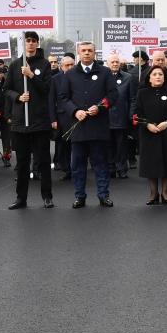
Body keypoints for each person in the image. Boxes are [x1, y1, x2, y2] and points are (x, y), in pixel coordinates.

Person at [58, 42, 118, 209]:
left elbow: (113, 95)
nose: (86, 53)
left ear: (94, 53)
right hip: (78, 127)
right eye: (83, 51)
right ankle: (79, 196)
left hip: (98, 127)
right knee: (77, 166)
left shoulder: (105, 72)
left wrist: (99, 107)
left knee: (100, 164)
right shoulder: (69, 74)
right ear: (78, 53)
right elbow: (63, 98)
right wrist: (75, 111)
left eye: (89, 51)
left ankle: (103, 195)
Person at [4, 31, 55, 209]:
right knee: (22, 163)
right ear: (23, 43)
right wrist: (18, 97)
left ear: (37, 43)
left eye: (34, 41)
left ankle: (47, 196)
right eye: (28, 41)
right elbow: (6, 89)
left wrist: (31, 75)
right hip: (20, 123)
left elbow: (47, 88)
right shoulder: (14, 65)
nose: (31, 44)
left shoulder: (45, 64)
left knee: (43, 161)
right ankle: (21, 198)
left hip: (39, 122)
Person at [135, 66, 167, 204]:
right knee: (151, 163)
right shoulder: (142, 93)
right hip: (149, 133)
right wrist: (147, 124)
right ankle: (153, 193)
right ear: (149, 78)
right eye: (154, 74)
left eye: (160, 74)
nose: (158, 76)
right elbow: (138, 113)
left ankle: (166, 193)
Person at [105, 54, 137, 180]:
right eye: (112, 62)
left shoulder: (128, 78)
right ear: (108, 63)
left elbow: (133, 98)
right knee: (108, 145)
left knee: (121, 145)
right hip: (106, 118)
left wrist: (131, 114)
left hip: (122, 117)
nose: (115, 64)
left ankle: (122, 169)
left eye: (117, 62)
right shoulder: (103, 77)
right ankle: (110, 168)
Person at [48, 54, 76, 180]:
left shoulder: (80, 77)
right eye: (67, 65)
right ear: (61, 66)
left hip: (77, 116)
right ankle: (66, 169)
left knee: (76, 145)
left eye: (72, 65)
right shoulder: (55, 79)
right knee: (63, 145)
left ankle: (76, 169)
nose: (69, 67)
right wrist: (53, 119)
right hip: (61, 117)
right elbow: (51, 100)